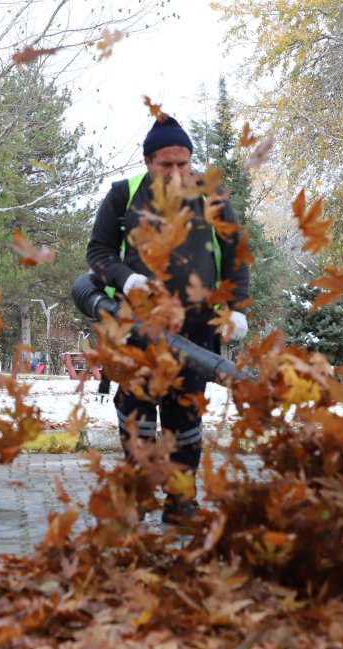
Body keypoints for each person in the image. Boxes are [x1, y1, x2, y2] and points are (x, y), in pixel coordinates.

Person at [85, 115, 250, 524]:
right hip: (134, 331)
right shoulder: (124, 197)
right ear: (147, 162)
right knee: (136, 416)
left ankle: (180, 502)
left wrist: (235, 309)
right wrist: (127, 279)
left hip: (194, 334)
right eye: (166, 164)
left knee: (185, 418)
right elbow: (98, 252)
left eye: (183, 163)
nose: (176, 172)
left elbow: (236, 258)